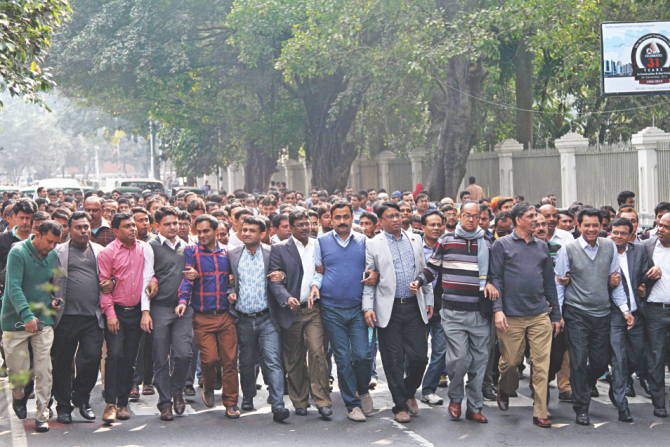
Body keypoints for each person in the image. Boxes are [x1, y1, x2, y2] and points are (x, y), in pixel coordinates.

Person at [414, 201, 495, 423]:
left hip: (480, 312)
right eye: (467, 215)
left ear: (481, 218)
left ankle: (475, 407)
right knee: (458, 359)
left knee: (479, 362)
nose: (471, 219)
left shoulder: (487, 243)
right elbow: (432, 268)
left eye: (475, 216)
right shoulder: (446, 241)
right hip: (452, 312)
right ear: (459, 216)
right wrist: (419, 280)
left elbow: (495, 274)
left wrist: (490, 283)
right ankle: (456, 398)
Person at [554, 208, 633, 426]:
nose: (591, 229)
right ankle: (581, 408)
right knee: (578, 361)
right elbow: (559, 285)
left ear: (601, 227)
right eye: (586, 225)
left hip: (602, 313)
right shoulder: (567, 250)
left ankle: (585, 384)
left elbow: (615, 282)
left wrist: (625, 310)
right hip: (576, 313)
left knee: (599, 363)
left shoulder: (609, 246)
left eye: (595, 225)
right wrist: (559, 314)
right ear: (579, 226)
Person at [491, 202, 561, 428]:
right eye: (531, 216)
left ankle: (540, 411)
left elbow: (550, 282)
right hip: (510, 315)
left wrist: (556, 315)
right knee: (511, 363)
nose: (536, 220)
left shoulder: (542, 246)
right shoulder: (502, 245)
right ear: (518, 220)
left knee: (542, 365)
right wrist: (498, 310)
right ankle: (505, 386)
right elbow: (496, 279)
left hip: (540, 313)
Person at [363, 202, 434, 423]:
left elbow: (424, 270)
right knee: (393, 359)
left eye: (397, 215)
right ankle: (400, 405)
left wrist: (428, 297)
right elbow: (369, 278)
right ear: (380, 222)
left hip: (414, 305)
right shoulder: (373, 244)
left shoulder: (415, 239)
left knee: (419, 357)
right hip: (388, 308)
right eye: (389, 216)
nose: (395, 219)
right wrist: (367, 308)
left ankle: (409, 390)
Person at [310, 201, 374, 422]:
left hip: (357, 308)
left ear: (352, 217)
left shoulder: (364, 241)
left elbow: (371, 271)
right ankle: (352, 404)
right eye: (337, 217)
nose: (342, 221)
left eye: (346, 217)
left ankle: (363, 389)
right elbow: (319, 271)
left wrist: (374, 276)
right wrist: (315, 285)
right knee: (343, 358)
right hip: (331, 309)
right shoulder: (322, 242)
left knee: (363, 355)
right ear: (330, 219)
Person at [268, 211, 333, 418]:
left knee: (317, 352)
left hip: (314, 309)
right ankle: (300, 401)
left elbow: (322, 270)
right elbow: (274, 279)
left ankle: (322, 400)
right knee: (294, 358)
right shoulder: (279, 248)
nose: (306, 228)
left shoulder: (319, 244)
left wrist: (316, 285)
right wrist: (286, 298)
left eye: (308, 224)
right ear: (292, 227)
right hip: (291, 311)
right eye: (301, 225)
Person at [2, 220, 63, 432]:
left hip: (43, 321)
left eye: (56, 243)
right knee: (17, 371)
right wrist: (27, 316)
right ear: (36, 234)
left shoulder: (53, 256)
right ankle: (19, 397)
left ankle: (41, 414)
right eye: (49, 241)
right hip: (15, 320)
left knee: (44, 369)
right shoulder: (17, 253)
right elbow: (13, 288)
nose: (52, 247)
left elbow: (51, 284)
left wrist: (54, 299)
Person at [227, 216, 289, 422]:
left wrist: (283, 277)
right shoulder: (233, 254)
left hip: (267, 317)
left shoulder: (272, 253)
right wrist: (230, 291)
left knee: (273, 361)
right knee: (246, 361)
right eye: (244, 229)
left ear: (262, 234)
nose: (246, 233)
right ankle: (248, 397)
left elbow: (284, 275)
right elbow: (227, 280)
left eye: (252, 230)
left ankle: (278, 405)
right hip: (243, 318)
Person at [178, 215, 240, 418]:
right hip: (202, 317)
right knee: (209, 360)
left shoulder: (227, 253)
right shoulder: (191, 251)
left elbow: (232, 280)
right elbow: (187, 279)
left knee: (230, 361)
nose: (202, 235)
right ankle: (208, 384)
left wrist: (232, 290)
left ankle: (231, 403)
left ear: (215, 231)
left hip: (225, 316)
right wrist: (182, 301)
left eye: (206, 231)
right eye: (199, 231)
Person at [99, 212, 156, 423]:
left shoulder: (145, 248)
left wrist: (146, 308)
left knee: (130, 359)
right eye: (126, 226)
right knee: (114, 356)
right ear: (115, 230)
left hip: (137, 312)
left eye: (134, 225)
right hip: (117, 312)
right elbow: (104, 287)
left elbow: (150, 275)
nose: (133, 229)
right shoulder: (107, 253)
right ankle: (110, 403)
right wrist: (111, 315)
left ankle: (123, 403)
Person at [51, 212, 104, 424]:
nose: (84, 231)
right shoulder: (58, 252)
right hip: (65, 318)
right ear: (70, 230)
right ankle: (63, 407)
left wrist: (111, 283)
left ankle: (81, 399)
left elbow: (110, 277)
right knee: (62, 364)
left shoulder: (100, 251)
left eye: (86, 227)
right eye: (79, 227)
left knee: (91, 358)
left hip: (92, 317)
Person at [142, 206, 194, 421]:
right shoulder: (149, 247)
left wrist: (195, 274)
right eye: (168, 224)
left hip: (182, 308)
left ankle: (177, 390)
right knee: (161, 359)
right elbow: (146, 278)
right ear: (157, 226)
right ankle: (165, 403)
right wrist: (146, 311)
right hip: (159, 308)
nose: (174, 227)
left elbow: (191, 275)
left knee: (184, 354)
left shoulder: (188, 246)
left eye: (176, 223)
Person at [608, 218, 657, 422]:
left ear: (630, 235)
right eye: (615, 232)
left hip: (636, 312)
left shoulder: (639, 250)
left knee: (637, 357)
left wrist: (651, 279)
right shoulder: (604, 250)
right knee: (618, 359)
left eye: (622, 233)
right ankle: (622, 405)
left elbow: (647, 275)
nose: (618, 236)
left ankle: (619, 380)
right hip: (614, 314)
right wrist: (608, 282)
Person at [641, 212, 670, 418]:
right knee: (656, 357)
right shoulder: (646, 247)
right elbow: (636, 276)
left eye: (666, 226)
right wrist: (649, 277)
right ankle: (659, 403)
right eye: (659, 225)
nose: (660, 229)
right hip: (655, 310)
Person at [417, 210, 447, 405]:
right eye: (432, 225)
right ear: (422, 227)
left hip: (443, 305)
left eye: (439, 225)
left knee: (441, 350)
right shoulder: (413, 247)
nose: (436, 228)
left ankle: (429, 389)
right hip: (418, 305)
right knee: (417, 353)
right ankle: (410, 386)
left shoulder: (449, 246)